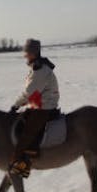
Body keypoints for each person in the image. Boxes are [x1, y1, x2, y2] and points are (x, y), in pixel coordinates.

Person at [8, 38, 60, 177]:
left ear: (34, 52)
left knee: (26, 133)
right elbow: (31, 93)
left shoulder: (40, 70)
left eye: (27, 52)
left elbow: (29, 92)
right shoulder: (35, 67)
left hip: (45, 106)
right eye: (25, 52)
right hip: (38, 104)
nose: (25, 55)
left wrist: (16, 105)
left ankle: (22, 166)